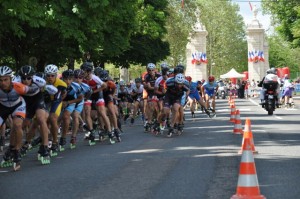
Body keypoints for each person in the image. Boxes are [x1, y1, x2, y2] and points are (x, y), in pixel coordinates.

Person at [0, 66, 41, 170]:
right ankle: (10, 148)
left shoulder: (18, 87)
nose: (3, 83)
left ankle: (17, 150)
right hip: (3, 107)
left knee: (18, 125)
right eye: (0, 80)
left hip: (17, 106)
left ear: (10, 79)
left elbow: (35, 89)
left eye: (5, 80)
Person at [44, 64, 67, 156]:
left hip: (56, 101)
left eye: (52, 75)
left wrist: (61, 99)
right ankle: (45, 138)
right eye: (48, 76)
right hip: (46, 101)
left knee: (53, 119)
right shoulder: (42, 81)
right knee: (42, 120)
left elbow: (64, 93)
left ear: (56, 75)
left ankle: (55, 141)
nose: (50, 78)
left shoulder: (62, 84)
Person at [164, 73, 190, 137]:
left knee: (176, 108)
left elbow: (188, 90)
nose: (179, 85)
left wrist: (186, 96)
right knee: (165, 111)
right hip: (169, 96)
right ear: (175, 82)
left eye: (181, 84)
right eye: (178, 83)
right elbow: (164, 89)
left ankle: (172, 126)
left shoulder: (185, 85)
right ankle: (164, 120)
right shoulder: (169, 83)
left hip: (178, 97)